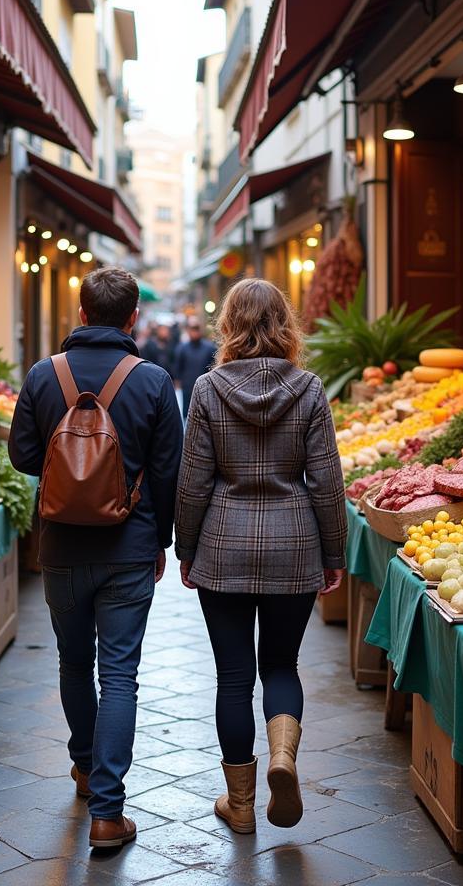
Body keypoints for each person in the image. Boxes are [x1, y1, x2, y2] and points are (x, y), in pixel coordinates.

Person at [8, 267, 183, 850]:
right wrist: (162, 541)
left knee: (72, 662)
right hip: (129, 549)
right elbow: (167, 474)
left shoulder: (41, 375)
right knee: (120, 675)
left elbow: (22, 457)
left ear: (80, 314)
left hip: (60, 546)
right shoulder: (154, 381)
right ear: (133, 318)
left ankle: (84, 767)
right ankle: (108, 813)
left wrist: (68, 473)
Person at [174, 278, 347, 835]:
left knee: (231, 676)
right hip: (294, 547)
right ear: (284, 324)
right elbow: (326, 481)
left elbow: (193, 481)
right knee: (280, 665)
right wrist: (333, 551)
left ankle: (241, 804)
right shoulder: (310, 388)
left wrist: (187, 547)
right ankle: (282, 758)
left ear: (228, 324)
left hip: (223, 546)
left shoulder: (206, 388)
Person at [173, 317, 217, 418]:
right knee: (187, 414)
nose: (194, 332)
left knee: (204, 414)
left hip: (205, 387)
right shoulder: (182, 348)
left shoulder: (210, 348)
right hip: (187, 387)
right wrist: (178, 382)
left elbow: (214, 366)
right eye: (192, 328)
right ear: (188, 330)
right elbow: (178, 366)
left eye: (196, 328)